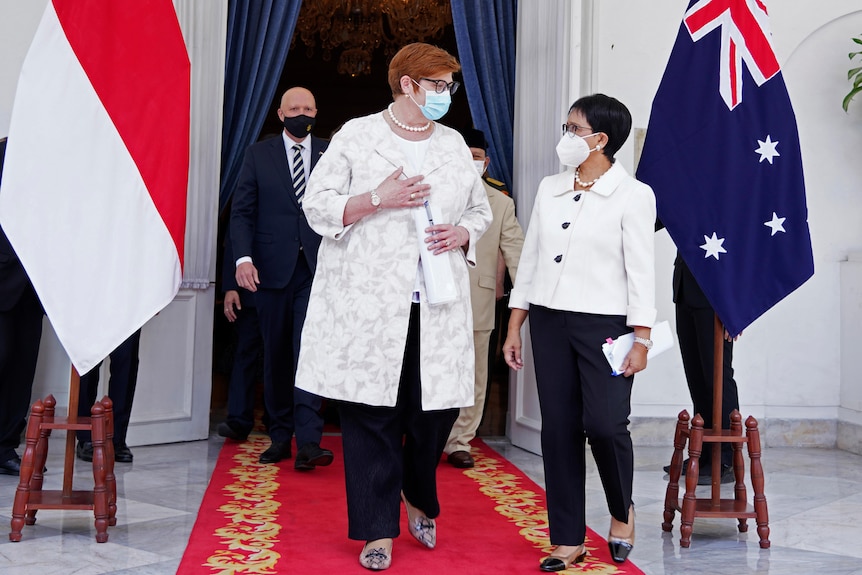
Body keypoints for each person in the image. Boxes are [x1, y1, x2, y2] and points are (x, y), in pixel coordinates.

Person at [295, 43, 492, 570]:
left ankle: (417, 493)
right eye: (438, 86)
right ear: (408, 85)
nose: (446, 95)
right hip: (371, 304)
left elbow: (479, 210)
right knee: (370, 414)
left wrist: (464, 233)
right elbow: (317, 205)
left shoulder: (453, 145)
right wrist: (376, 199)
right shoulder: (358, 135)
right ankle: (376, 530)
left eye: (449, 86)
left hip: (437, 302)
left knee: (437, 411)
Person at [503, 94, 656, 570]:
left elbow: (641, 271)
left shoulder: (634, 195)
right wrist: (515, 324)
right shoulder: (549, 188)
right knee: (560, 430)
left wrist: (643, 338)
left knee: (607, 426)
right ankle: (567, 538)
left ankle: (620, 509)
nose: (565, 136)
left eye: (574, 128)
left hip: (607, 328)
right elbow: (529, 261)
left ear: (600, 139)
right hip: (548, 322)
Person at [230, 87, 333, 470]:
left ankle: (309, 441)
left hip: (317, 270)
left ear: (316, 111)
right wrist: (243, 259)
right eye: (294, 108)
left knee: (309, 352)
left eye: (308, 107)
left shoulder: (332, 153)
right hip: (270, 271)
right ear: (280, 113)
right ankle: (279, 436)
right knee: (274, 354)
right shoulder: (258, 154)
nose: (301, 113)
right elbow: (242, 212)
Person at [444, 128, 523, 469]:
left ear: (487, 162)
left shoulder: (501, 203)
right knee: (434, 370)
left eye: (476, 156)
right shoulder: (434, 193)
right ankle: (426, 435)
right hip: (435, 299)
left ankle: (460, 441)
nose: (470, 161)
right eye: (464, 154)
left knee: (475, 375)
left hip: (479, 301)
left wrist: (531, 297)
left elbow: (516, 251)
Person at [663, 254, 738, 484]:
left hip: (716, 295)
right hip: (686, 288)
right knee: (697, 377)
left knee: (716, 377)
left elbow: (740, 246)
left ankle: (724, 460)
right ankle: (704, 455)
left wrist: (736, 309)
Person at [0, 137, 45, 476]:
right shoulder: (1, 152)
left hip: (36, 287)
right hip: (1, 277)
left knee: (22, 369)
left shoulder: (58, 162)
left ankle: (6, 447)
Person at [217, 222, 264, 442]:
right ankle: (238, 420)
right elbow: (235, 235)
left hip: (291, 285)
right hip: (249, 286)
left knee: (283, 354)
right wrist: (230, 287)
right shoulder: (247, 188)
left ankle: (279, 419)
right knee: (245, 352)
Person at [76, 329, 142, 463]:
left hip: (128, 309)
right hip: (91, 310)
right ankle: (85, 437)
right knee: (87, 364)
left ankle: (117, 439)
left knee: (126, 361)